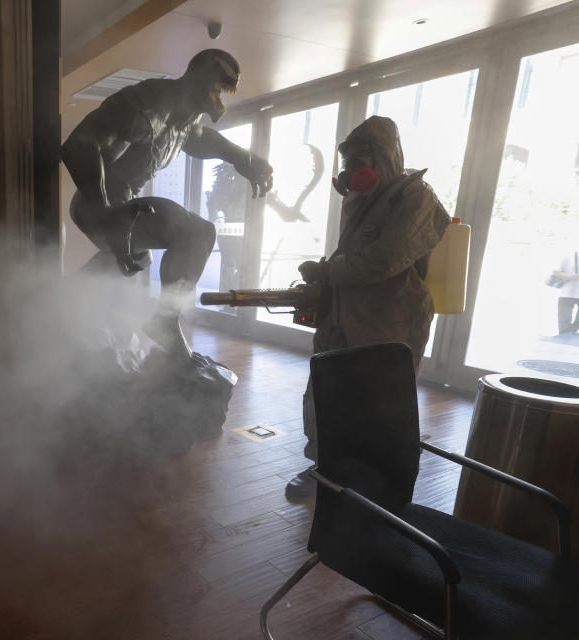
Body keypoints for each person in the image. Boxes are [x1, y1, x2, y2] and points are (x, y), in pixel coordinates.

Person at [61, 49, 274, 357]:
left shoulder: (183, 120)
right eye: (218, 85)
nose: (221, 96)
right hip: (100, 204)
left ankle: (66, 299)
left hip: (123, 205)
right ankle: (162, 321)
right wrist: (107, 214)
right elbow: (77, 145)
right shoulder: (149, 105)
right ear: (200, 76)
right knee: (197, 233)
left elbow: (201, 139)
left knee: (135, 261)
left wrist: (243, 157)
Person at [285, 115, 451, 499]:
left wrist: (330, 270)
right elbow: (354, 256)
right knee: (326, 393)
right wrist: (325, 276)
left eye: (360, 160)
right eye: (347, 163)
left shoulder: (416, 197)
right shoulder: (363, 199)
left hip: (389, 321)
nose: (352, 172)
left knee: (379, 405)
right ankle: (324, 466)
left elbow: (383, 261)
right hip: (343, 315)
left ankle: (373, 478)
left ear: (385, 157)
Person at [551, 251, 579, 334]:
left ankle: (568, 334)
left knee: (569, 325)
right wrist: (571, 277)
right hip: (566, 293)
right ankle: (565, 337)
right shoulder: (568, 255)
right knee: (563, 323)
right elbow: (555, 271)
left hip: (566, 294)